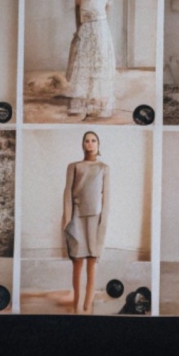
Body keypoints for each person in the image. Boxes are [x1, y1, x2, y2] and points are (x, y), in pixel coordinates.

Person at [61, 131, 110, 313]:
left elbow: (107, 198)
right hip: (76, 216)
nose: (90, 144)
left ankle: (87, 305)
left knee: (92, 261)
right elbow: (67, 192)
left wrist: (103, 223)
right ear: (83, 144)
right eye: (87, 141)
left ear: (98, 144)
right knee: (77, 261)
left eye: (93, 140)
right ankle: (76, 303)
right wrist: (66, 218)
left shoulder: (104, 168)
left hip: (95, 219)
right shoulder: (74, 166)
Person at [65, 0, 117, 119]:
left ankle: (98, 101)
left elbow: (105, 19)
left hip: (101, 32)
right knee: (84, 63)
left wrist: (104, 36)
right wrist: (78, 32)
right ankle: (83, 101)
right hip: (86, 30)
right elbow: (77, 17)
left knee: (99, 63)